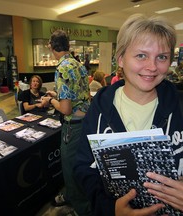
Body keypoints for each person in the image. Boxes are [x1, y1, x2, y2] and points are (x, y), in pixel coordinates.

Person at [74, 13, 183, 216]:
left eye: (162, 57)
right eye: (141, 55)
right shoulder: (99, 109)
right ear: (121, 59)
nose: (152, 67)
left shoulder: (179, 106)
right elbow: (83, 168)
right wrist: (111, 209)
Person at [41, 30, 92, 216]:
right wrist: (59, 96)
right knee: (80, 166)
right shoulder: (78, 65)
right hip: (85, 123)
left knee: (70, 171)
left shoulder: (62, 68)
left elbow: (65, 110)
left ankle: (80, 210)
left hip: (73, 127)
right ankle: (72, 197)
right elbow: (79, 95)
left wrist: (50, 101)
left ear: (51, 46)